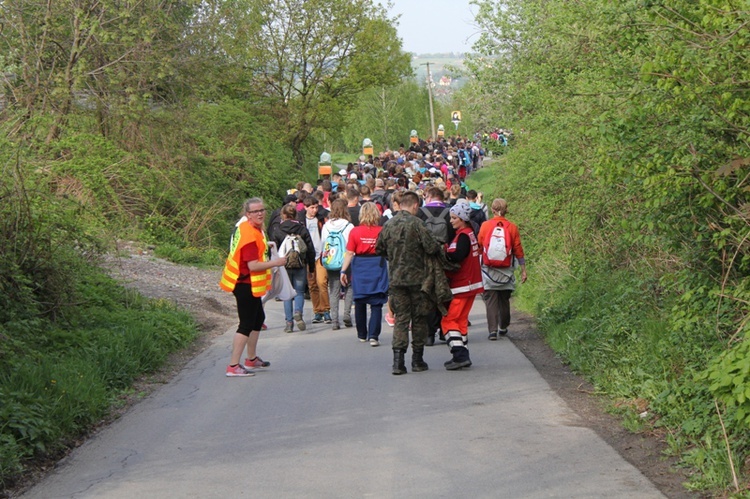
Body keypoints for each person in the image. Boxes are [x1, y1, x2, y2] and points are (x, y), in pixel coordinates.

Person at [376, 191, 443, 375]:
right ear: (415, 205)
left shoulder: (389, 224)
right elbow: (431, 247)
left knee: (401, 319)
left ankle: (398, 362)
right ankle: (417, 360)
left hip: (397, 279)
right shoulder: (418, 224)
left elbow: (379, 248)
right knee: (419, 319)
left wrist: (393, 257)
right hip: (418, 280)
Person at [219, 198, 286, 377]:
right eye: (255, 211)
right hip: (244, 284)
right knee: (246, 324)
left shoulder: (254, 229)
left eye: (262, 210)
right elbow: (253, 265)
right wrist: (276, 262)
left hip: (249, 283)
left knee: (258, 319)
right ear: (247, 214)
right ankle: (233, 365)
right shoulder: (249, 234)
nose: (259, 213)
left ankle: (251, 358)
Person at [477, 198, 527, 340]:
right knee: (504, 299)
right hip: (506, 269)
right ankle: (503, 326)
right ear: (506, 210)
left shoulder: (485, 226)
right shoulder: (512, 227)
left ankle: (492, 331)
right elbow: (518, 250)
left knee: (490, 299)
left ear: (492, 210)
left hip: (488, 268)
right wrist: (523, 269)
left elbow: (480, 245)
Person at [441, 203, 484, 370]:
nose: (451, 222)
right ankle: (463, 351)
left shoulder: (463, 236)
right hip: (471, 284)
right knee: (460, 321)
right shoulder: (469, 234)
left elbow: (458, 256)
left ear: (463, 219)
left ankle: (459, 355)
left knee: (449, 320)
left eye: (454, 218)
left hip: (462, 284)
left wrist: (444, 252)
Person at [340, 202, 388, 346]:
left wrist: (343, 270)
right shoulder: (382, 230)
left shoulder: (355, 231)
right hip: (377, 265)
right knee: (377, 302)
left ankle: (362, 334)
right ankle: (373, 335)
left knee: (360, 300)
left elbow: (349, 253)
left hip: (360, 265)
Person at [272, 204, 316, 333]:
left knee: (287, 294)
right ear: (295, 215)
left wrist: (274, 268)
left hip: (284, 265)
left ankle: (289, 323)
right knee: (299, 291)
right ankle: (298, 311)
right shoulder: (302, 229)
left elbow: (273, 250)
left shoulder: (278, 230)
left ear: (283, 215)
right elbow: (310, 250)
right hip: (300, 265)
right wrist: (311, 268)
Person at [321, 198, 354, 330]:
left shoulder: (327, 225)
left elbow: (323, 243)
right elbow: (351, 245)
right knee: (349, 287)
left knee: (333, 290)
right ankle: (346, 314)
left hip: (331, 260)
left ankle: (334, 320)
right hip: (346, 260)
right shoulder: (348, 225)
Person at [298, 196, 331, 324]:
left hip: (320, 255)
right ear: (306, 207)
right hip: (308, 256)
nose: (315, 210)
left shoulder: (321, 219)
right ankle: (318, 311)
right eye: (312, 208)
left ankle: (326, 310)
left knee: (322, 282)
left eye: (316, 207)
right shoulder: (301, 221)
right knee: (312, 285)